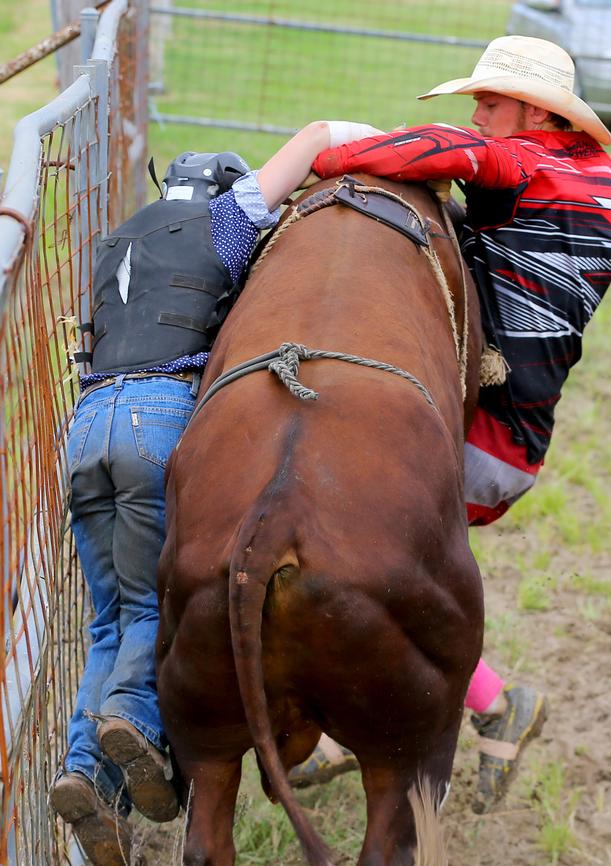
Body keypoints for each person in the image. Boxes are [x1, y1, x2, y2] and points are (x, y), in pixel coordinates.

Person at [283, 35, 611, 814]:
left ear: (536, 113)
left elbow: (432, 152)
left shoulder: (528, 163)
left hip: (487, 442)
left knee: (364, 554)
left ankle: (453, 707)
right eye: (477, 103)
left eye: (490, 102)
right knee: (380, 559)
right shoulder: (597, 179)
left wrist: (326, 151)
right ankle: (470, 707)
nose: (478, 117)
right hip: (516, 435)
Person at [49, 121, 382, 866]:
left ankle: (85, 773)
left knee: (105, 618)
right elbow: (315, 137)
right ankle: (133, 721)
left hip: (86, 424)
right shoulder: (224, 221)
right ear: (223, 189)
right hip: (158, 417)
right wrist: (385, 143)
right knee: (148, 606)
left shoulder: (115, 244)